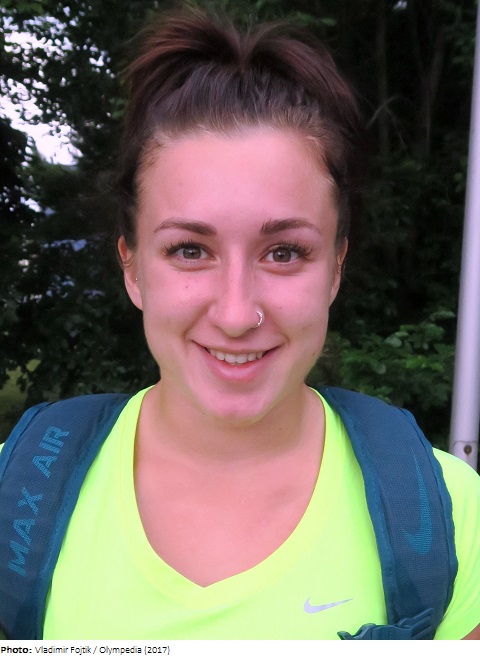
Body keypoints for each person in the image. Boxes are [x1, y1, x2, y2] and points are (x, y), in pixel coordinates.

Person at [3, 7, 480, 640]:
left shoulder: (453, 519)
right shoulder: (15, 501)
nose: (235, 315)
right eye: (189, 250)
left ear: (335, 267)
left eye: (284, 252)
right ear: (132, 267)